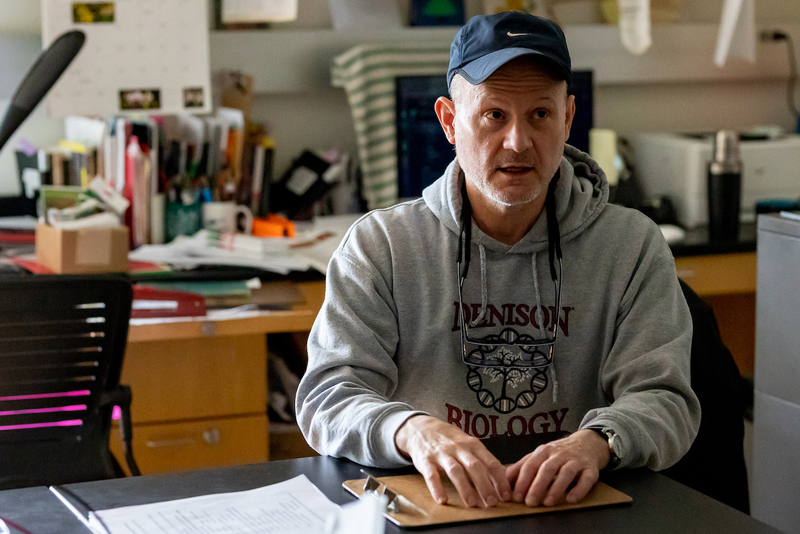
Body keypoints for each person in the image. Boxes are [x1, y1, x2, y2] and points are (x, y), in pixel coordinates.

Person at [297, 11, 700, 510]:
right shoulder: (381, 247)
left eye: (540, 115)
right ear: (449, 121)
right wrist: (412, 430)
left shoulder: (632, 245)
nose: (518, 142)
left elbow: (667, 400)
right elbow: (327, 397)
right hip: (440, 506)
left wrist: (597, 441)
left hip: (572, 509)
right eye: (494, 115)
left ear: (568, 118)